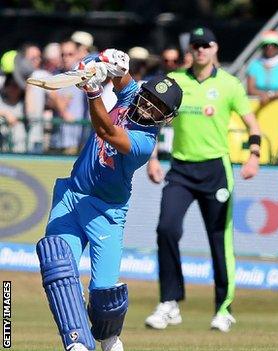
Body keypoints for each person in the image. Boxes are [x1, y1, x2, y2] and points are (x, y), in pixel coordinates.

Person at [36, 49, 183, 351]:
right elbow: (120, 75)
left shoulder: (145, 142)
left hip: (106, 212)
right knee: (57, 263)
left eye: (159, 107)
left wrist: (93, 92)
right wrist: (105, 59)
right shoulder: (131, 96)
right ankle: (76, 342)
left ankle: (108, 334)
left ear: (166, 117)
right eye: (149, 98)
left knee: (104, 294)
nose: (149, 107)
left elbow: (104, 128)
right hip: (72, 197)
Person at [144, 27, 261, 333]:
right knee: (166, 229)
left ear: (215, 48)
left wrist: (254, 155)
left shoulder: (229, 84)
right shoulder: (177, 82)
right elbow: (154, 119)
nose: (200, 50)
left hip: (215, 170)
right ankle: (169, 302)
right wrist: (153, 158)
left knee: (219, 240)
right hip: (181, 170)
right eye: (195, 45)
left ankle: (224, 308)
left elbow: (252, 123)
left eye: (205, 45)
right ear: (190, 50)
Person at [246, 31, 278, 108]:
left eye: (274, 45)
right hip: (257, 106)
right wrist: (263, 95)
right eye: (266, 45)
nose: (270, 48)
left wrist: (270, 95)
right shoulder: (254, 65)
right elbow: (250, 89)